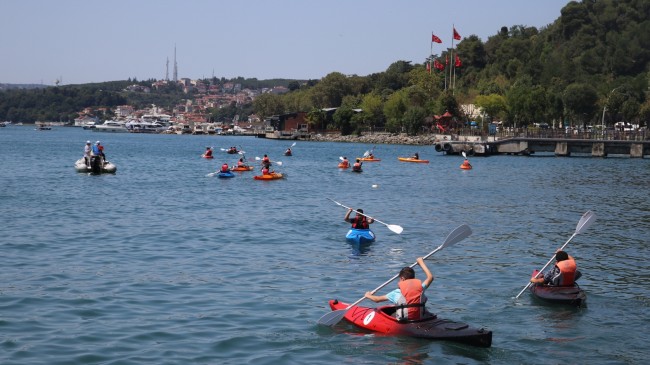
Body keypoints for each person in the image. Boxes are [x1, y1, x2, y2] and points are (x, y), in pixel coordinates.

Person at [364, 257, 434, 320]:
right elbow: (430, 277)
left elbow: (377, 300)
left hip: (404, 319)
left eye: (399, 279)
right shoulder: (420, 288)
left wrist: (368, 295)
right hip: (420, 316)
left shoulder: (396, 292)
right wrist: (421, 263)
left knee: (387, 314)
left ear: (402, 279)